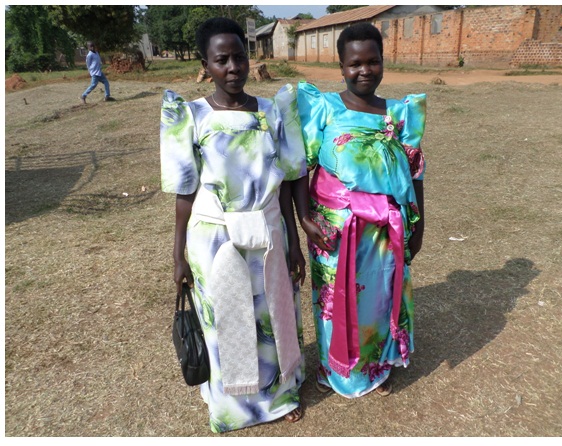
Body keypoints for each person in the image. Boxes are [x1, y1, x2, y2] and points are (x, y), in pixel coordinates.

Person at [159, 17, 307, 433]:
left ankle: (278, 397)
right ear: (205, 65)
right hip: (215, 240)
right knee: (226, 320)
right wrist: (178, 256)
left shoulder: (271, 112)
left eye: (239, 57)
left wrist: (295, 243)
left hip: (268, 232)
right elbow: (184, 193)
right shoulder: (191, 116)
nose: (233, 68)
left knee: (273, 315)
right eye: (221, 59)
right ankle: (233, 408)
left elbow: (286, 184)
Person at [289, 22, 426, 398]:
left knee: (381, 295)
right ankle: (337, 371)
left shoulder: (400, 114)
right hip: (333, 228)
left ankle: (376, 366)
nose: (364, 70)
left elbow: (414, 171)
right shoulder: (324, 108)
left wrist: (420, 223)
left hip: (386, 228)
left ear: (383, 63)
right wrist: (304, 219)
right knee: (335, 302)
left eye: (373, 61)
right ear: (341, 66)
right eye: (355, 63)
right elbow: (302, 168)